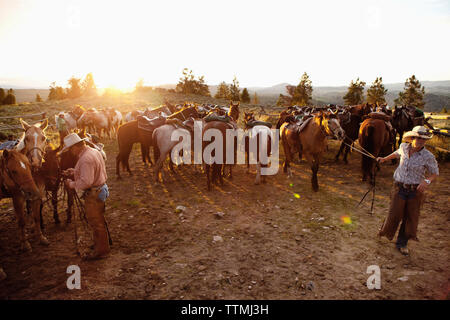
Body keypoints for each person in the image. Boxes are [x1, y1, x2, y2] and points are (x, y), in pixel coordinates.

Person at [376, 126, 439, 255]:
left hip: (414, 191)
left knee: (410, 217)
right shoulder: (404, 147)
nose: (421, 141)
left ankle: (402, 243)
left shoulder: (428, 156)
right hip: (399, 187)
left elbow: (434, 173)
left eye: (424, 139)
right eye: (419, 138)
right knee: (394, 213)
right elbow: (396, 153)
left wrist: (426, 181)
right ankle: (385, 230)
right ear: (412, 138)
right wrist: (384, 158)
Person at [61, 133, 111, 260]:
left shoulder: (85, 159)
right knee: (100, 219)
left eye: (70, 150)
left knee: (96, 222)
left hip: (93, 194)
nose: (70, 152)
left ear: (74, 147)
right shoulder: (93, 151)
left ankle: (101, 251)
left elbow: (85, 182)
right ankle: (103, 244)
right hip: (100, 189)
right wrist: (75, 171)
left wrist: (70, 184)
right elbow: (90, 172)